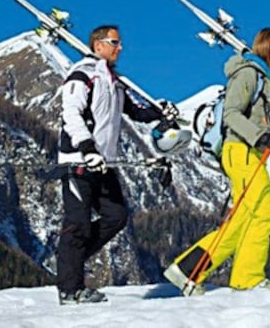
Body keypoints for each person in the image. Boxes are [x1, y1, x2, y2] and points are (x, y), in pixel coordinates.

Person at [164, 27, 270, 292]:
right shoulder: (248, 74)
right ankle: (248, 278)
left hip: (252, 152)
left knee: (242, 220)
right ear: (265, 48)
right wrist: (259, 136)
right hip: (240, 150)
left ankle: (186, 270)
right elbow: (231, 115)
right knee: (265, 211)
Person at [56, 25, 180, 304]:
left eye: (120, 42)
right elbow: (70, 114)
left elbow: (135, 112)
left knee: (117, 216)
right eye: (115, 42)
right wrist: (87, 148)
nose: (120, 47)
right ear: (98, 45)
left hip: (104, 162)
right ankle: (69, 288)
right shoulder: (83, 75)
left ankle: (70, 260)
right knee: (78, 224)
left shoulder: (115, 81)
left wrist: (161, 112)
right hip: (78, 161)